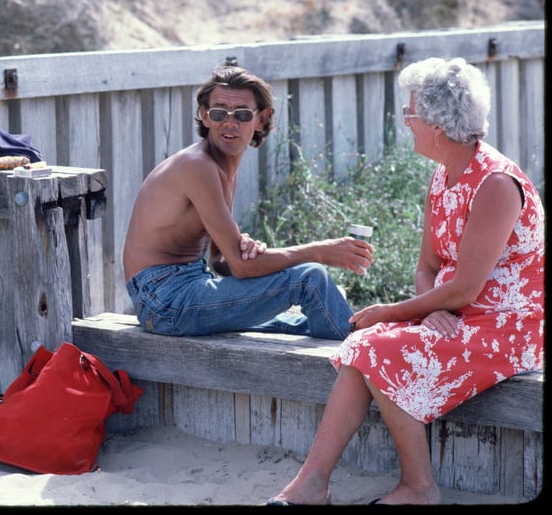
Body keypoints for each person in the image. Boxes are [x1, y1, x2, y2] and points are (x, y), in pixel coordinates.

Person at [267, 57, 545, 506]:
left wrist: (393, 312)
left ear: (437, 123)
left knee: (373, 342)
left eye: (409, 112)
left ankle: (419, 487)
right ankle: (312, 484)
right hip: (456, 313)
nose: (406, 122)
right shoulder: (442, 176)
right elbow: (428, 266)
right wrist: (430, 308)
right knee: (364, 346)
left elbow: (467, 289)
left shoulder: (494, 183)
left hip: (505, 327)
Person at [122, 64, 373, 340]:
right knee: (311, 279)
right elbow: (241, 268)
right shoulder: (198, 167)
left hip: (188, 287)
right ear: (205, 116)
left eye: (242, 114)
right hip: (165, 301)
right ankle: (360, 362)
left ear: (261, 119)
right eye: (219, 113)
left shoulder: (222, 167)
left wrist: (250, 252)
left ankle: (357, 349)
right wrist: (320, 251)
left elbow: (221, 261)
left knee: (298, 324)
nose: (230, 123)